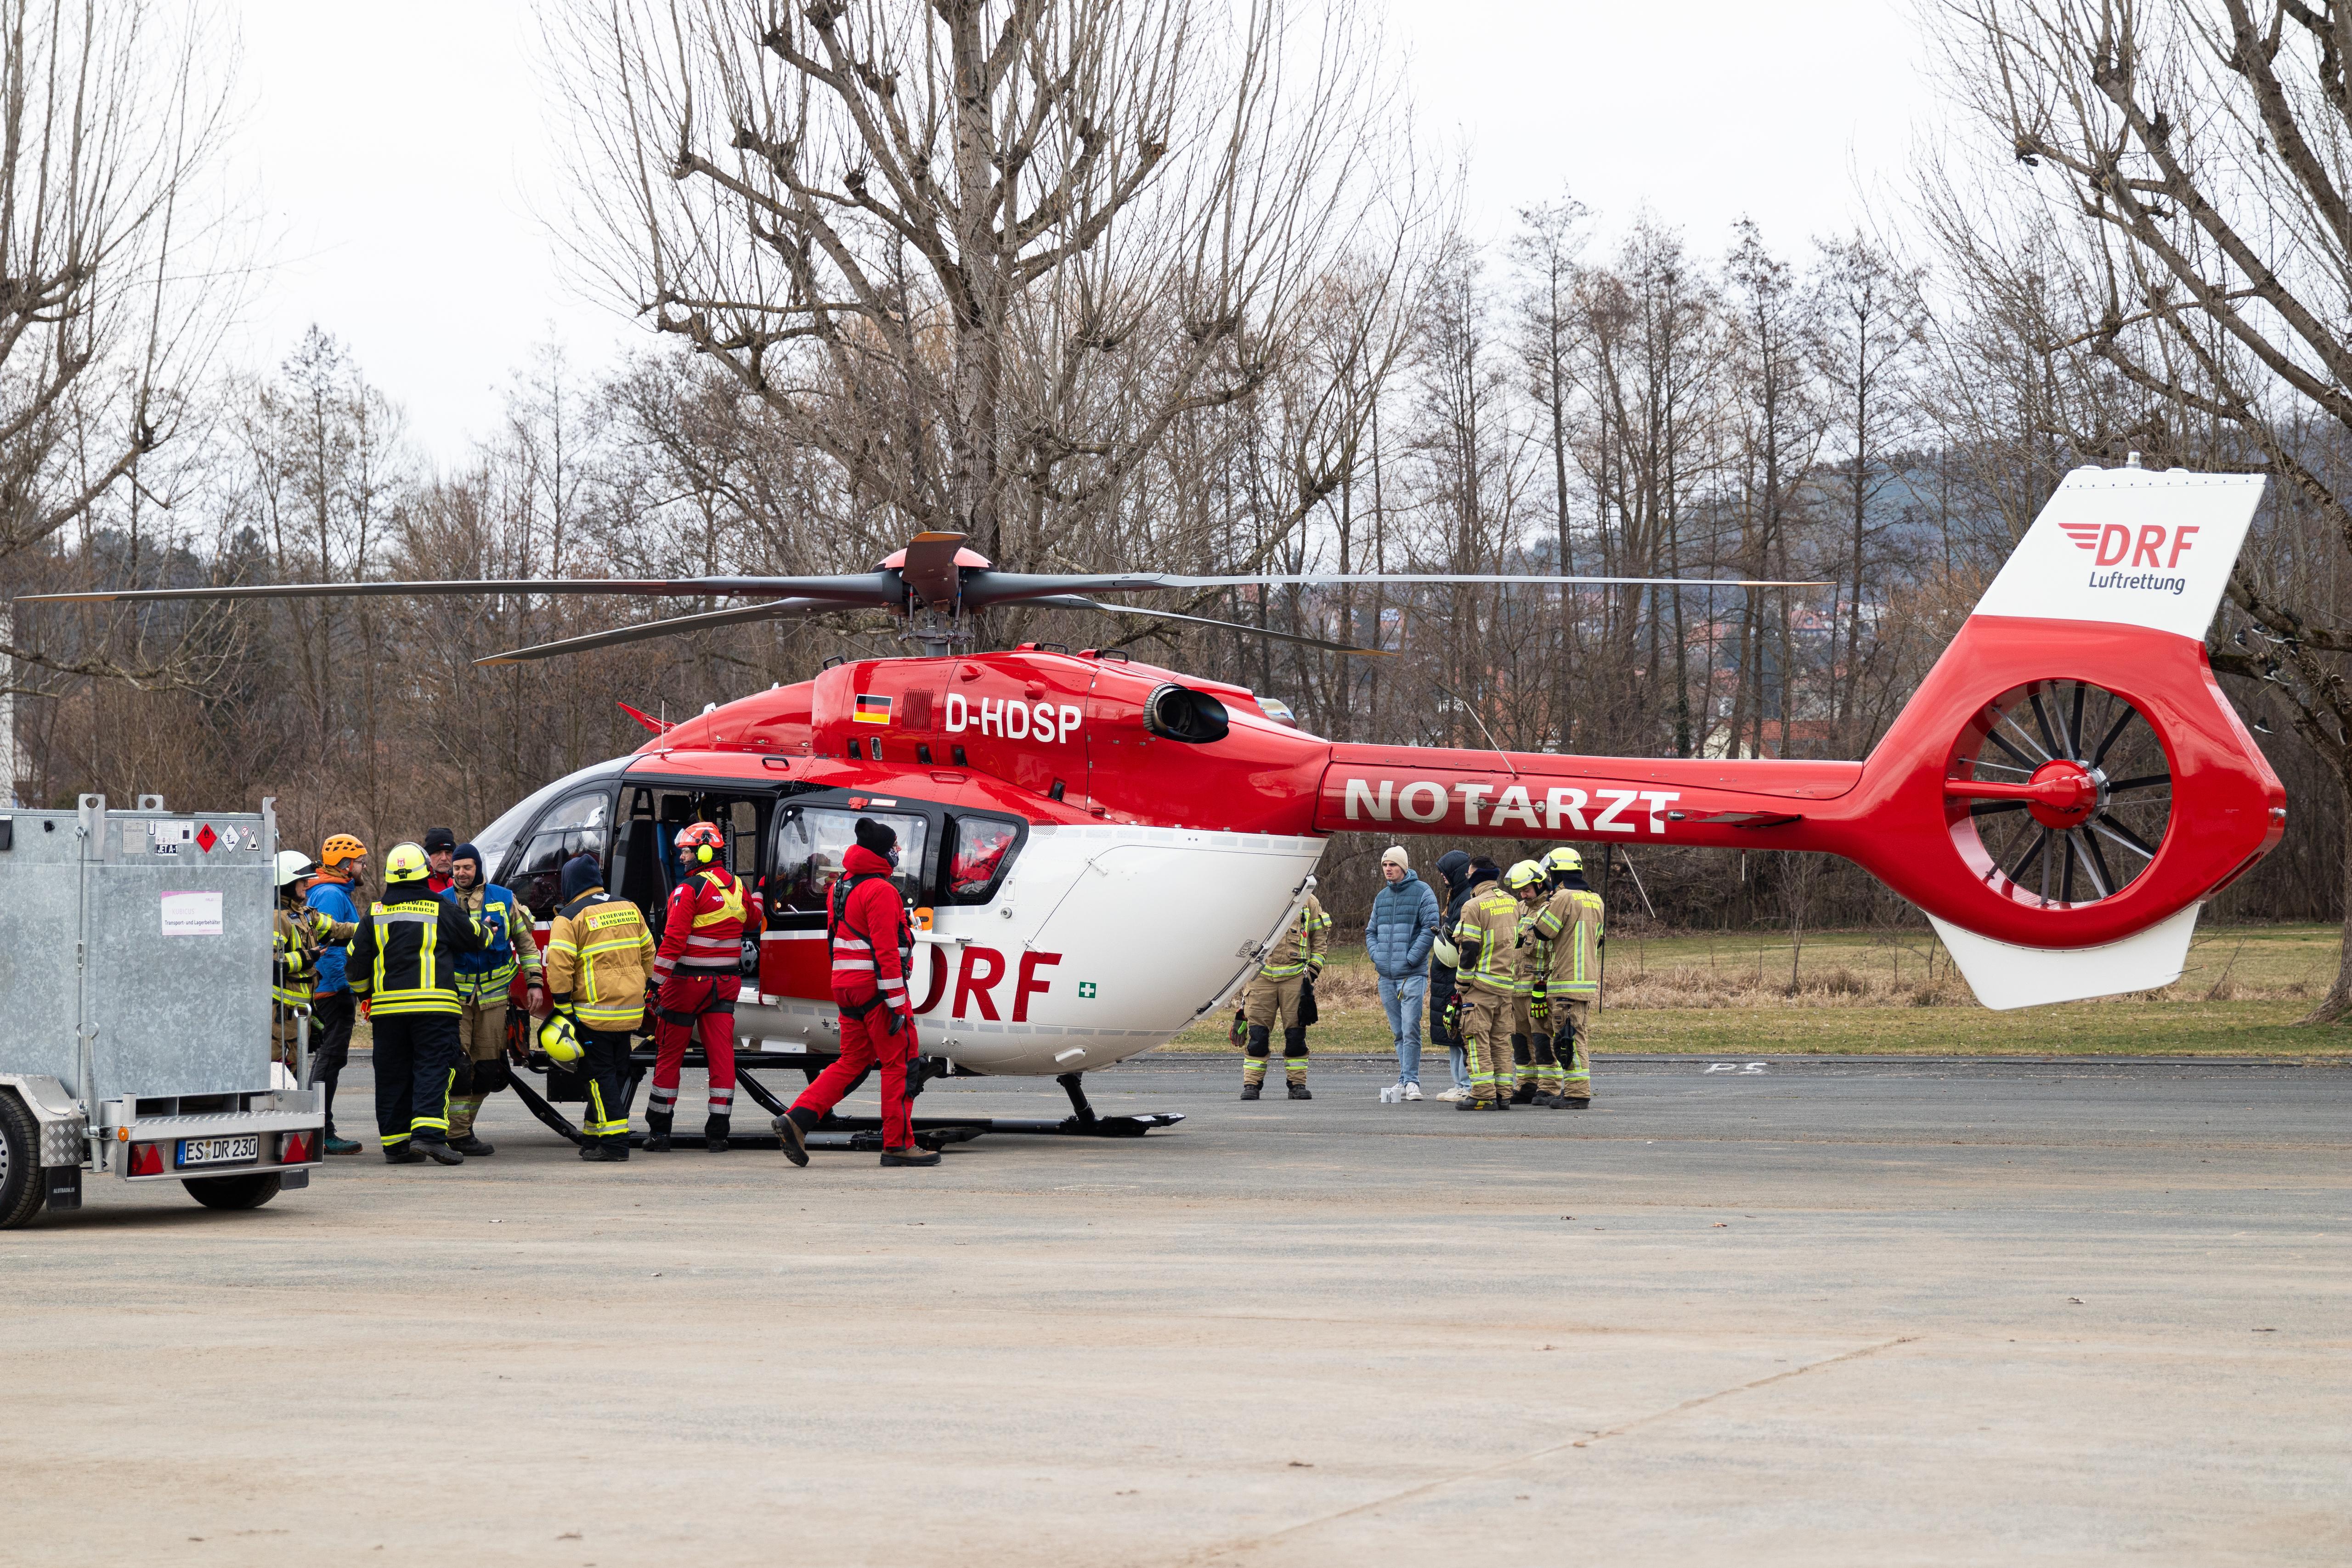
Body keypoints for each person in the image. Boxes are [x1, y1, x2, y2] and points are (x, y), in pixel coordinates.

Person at [775, 816, 936, 1168]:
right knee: (901, 1062)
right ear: (882, 853)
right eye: (895, 848)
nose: (898, 853)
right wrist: (896, 1005)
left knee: (853, 1061)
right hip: (877, 991)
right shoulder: (881, 890)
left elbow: (835, 940)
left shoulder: (840, 887)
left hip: (846, 987)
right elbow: (887, 952)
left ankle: (797, 1119)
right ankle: (898, 1144)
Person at [347, 841, 488, 1165]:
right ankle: (429, 1136)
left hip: (388, 1013)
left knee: (392, 1074)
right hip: (434, 1009)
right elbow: (473, 936)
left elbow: (354, 963)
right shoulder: (439, 906)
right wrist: (490, 931)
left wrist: (366, 995)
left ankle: (396, 1145)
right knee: (433, 1066)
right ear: (425, 871)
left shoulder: (375, 912)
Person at [540, 851, 656, 1162]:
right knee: (616, 1071)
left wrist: (563, 1005)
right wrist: (640, 986)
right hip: (631, 1010)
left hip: (594, 1012)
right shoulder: (629, 907)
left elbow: (559, 966)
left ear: (569, 883)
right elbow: (649, 951)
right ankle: (593, 1134)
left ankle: (615, 1142)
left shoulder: (569, 916)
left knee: (599, 1074)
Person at [647, 821, 751, 1152]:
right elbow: (754, 917)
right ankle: (718, 1133)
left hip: (687, 986)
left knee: (669, 1055)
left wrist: (654, 984)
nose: (683, 857)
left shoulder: (687, 890)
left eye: (688, 851)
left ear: (706, 851)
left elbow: (673, 941)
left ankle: (660, 1132)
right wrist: (761, 888)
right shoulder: (737, 888)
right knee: (722, 1058)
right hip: (725, 986)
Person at [441, 841, 546, 1156]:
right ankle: (456, 1134)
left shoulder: (503, 898)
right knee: (457, 1066)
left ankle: (462, 1127)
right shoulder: (440, 902)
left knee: (487, 1068)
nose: (460, 873)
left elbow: (526, 945)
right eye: (457, 868)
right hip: (455, 1000)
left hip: (494, 1000)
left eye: (466, 867)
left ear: (478, 869)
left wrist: (535, 982)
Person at [1523, 845, 1604, 1109]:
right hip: (1586, 981)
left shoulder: (1563, 898)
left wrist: (1549, 903)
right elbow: (1599, 939)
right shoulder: (1596, 899)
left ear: (1556, 873)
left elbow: (1544, 931)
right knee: (1576, 1035)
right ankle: (1573, 1090)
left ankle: (1577, 1094)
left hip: (1565, 981)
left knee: (1569, 1038)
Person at [305, 833, 370, 1155]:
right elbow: (328, 948)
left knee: (331, 1058)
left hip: (333, 987)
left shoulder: (332, 890)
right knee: (330, 1059)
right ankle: (319, 1131)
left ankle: (316, 1127)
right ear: (345, 865)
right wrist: (342, 988)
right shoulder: (330, 893)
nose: (363, 866)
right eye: (359, 861)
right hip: (333, 989)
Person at [1445, 858, 1523, 1112]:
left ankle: (1482, 1094)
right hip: (1505, 987)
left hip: (1480, 987)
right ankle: (1503, 1094)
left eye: (1468, 874)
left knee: (1476, 1040)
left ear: (1475, 875)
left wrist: (1462, 983)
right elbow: (1518, 942)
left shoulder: (1473, 906)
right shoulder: (1512, 902)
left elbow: (1469, 949)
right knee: (1500, 1041)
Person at [1363, 845, 1440, 1100]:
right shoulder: (1381, 897)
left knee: (1410, 1029)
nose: (1388, 869)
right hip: (1386, 976)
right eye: (1385, 865)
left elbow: (1431, 928)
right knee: (1398, 1031)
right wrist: (1377, 956)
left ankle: (1413, 1082)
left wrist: (1411, 958)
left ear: (1403, 867)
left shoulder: (1422, 892)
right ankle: (1404, 1079)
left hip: (1412, 975)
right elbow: (1370, 932)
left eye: (1393, 865)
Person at [271, 851, 356, 1081]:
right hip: (277, 1019)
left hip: (299, 1016)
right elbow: (270, 963)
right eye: (303, 881)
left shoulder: (305, 914)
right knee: (280, 1078)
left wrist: (370, 927)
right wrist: (307, 957)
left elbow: (338, 929)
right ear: (287, 882)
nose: (308, 885)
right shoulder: (275, 917)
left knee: (297, 1077)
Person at [1238, 892, 1329, 1101]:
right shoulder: (1256, 896)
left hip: (1295, 979)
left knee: (1296, 1036)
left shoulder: (1309, 900)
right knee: (1258, 1036)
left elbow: (1320, 940)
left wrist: (1312, 972)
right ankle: (1252, 1084)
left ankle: (1297, 1085)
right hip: (1260, 979)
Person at [1425, 851, 1478, 1101]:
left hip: (1456, 974)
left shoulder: (1466, 897)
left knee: (1461, 1029)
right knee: (1452, 1029)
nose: (1442, 877)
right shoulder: (1455, 895)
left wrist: (1446, 934)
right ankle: (1458, 1083)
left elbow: (1462, 936)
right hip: (1446, 974)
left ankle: (1467, 1085)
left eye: (1445, 872)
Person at [422, 826, 458, 894]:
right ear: (428, 857)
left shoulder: (459, 884)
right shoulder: (421, 887)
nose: (444, 858)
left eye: (448, 852)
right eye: (437, 853)